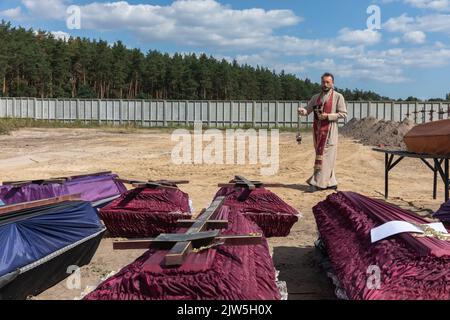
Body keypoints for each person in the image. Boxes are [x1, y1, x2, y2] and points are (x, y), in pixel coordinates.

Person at [298, 73, 347, 192]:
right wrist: (302, 111)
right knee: (325, 158)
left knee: (325, 158)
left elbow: (343, 114)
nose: (325, 85)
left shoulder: (338, 97)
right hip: (317, 132)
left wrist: (328, 116)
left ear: (332, 83)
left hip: (330, 131)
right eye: (323, 82)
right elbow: (308, 110)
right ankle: (331, 182)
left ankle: (317, 183)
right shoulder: (316, 97)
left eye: (327, 82)